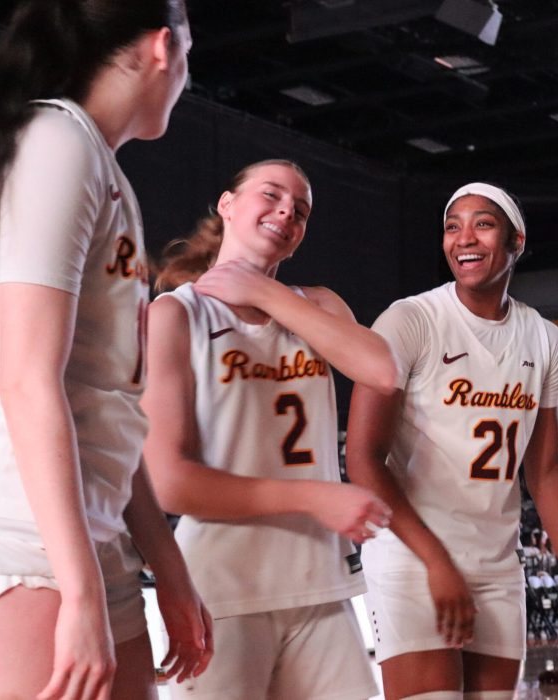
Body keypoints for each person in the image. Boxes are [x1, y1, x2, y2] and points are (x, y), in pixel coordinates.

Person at [0, 2, 209, 699]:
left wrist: (168, 564)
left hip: (77, 532)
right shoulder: (54, 140)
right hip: (0, 523)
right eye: (191, 57)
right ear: (164, 47)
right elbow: (27, 380)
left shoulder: (99, 168)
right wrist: (79, 590)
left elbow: (101, 404)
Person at [141, 159, 397, 698]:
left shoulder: (318, 304)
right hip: (222, 591)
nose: (287, 211)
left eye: (301, 210)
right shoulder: (176, 314)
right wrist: (313, 498)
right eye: (272, 195)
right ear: (228, 205)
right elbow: (170, 481)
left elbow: (383, 370)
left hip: (320, 587)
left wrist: (263, 293)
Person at [346, 182, 558, 700]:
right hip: (413, 557)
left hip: (498, 564)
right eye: (452, 226)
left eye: (483, 224)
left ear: (516, 240)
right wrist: (437, 563)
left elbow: (545, 471)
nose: (465, 238)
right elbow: (364, 459)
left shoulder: (545, 339)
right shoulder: (411, 320)